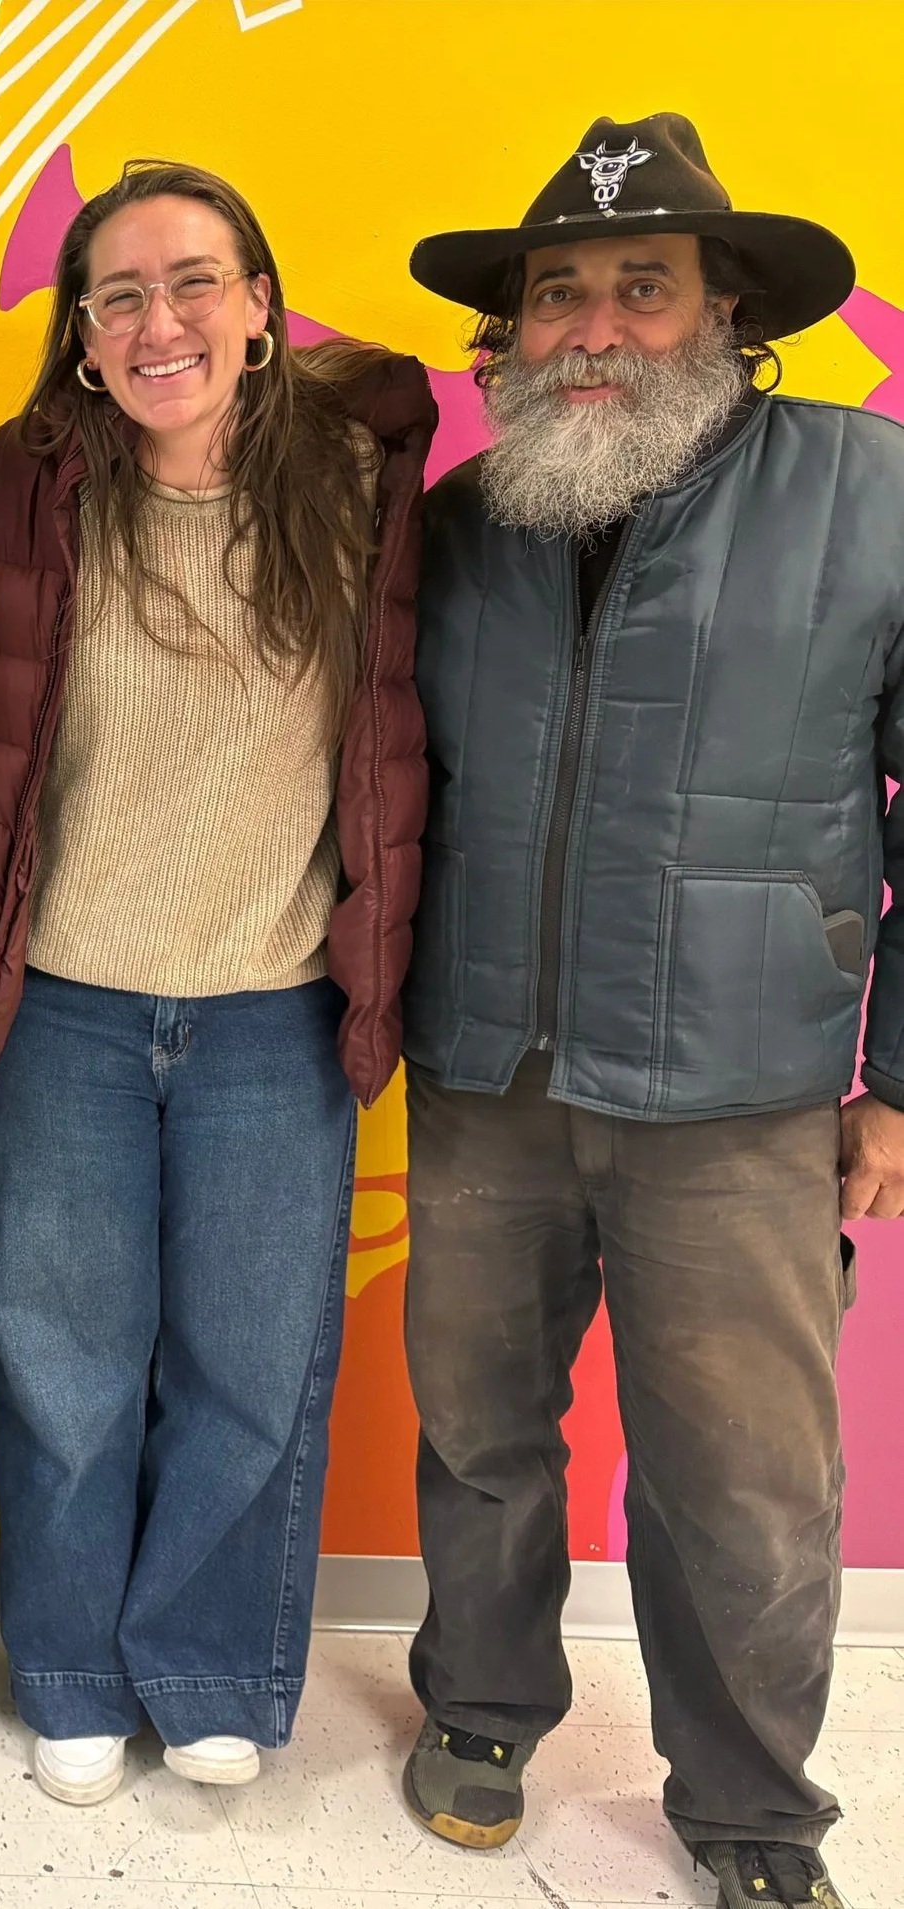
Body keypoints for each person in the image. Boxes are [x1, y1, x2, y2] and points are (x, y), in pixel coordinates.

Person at [397, 113, 898, 1909]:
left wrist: (897, 1078)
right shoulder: (463, 525)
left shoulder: (872, 495)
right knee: (478, 1428)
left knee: (747, 1490)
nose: (593, 326)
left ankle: (754, 1807)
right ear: (511, 332)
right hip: (485, 1071)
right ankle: (480, 1704)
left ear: (730, 308)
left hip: (743, 1090)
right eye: (557, 293)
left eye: (640, 287)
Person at [0, 159, 435, 1804]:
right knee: (62, 1360)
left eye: (196, 281)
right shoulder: (23, 485)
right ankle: (77, 1672)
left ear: (261, 308)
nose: (162, 319)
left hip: (277, 1004)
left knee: (250, 1358)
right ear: (80, 337)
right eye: (122, 293)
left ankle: (213, 1664)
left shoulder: (360, 493)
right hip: (65, 1002)